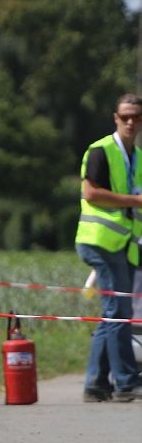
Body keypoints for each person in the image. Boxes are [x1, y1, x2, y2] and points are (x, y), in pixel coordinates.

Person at [76, 93, 142, 403]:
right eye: (125, 116)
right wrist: (134, 201)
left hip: (123, 246)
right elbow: (91, 193)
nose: (131, 121)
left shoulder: (137, 158)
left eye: (136, 117)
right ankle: (127, 383)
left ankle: (96, 384)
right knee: (119, 313)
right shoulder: (101, 150)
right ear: (115, 118)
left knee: (112, 313)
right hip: (99, 242)